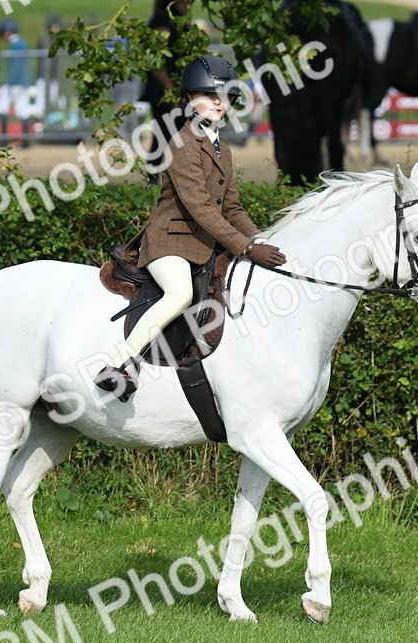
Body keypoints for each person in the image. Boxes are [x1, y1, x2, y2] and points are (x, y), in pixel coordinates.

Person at [94, 56, 287, 400]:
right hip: (169, 243)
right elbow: (200, 208)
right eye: (208, 95)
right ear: (186, 100)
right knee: (179, 293)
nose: (217, 102)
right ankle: (119, 363)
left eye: (224, 96)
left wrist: (261, 239)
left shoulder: (222, 149)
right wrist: (244, 247)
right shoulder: (181, 144)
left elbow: (231, 207)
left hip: (203, 245)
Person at [143, 0, 192, 181]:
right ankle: (154, 179)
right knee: (164, 135)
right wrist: (170, 89)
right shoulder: (163, 19)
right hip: (164, 92)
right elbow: (156, 59)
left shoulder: (179, 19)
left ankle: (172, 180)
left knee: (178, 137)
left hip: (178, 91)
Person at [0, 18, 32, 144]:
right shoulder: (21, 43)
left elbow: (16, 67)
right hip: (23, 82)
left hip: (15, 82)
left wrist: (11, 82)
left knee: (3, 106)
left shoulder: (16, 45)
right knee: (23, 109)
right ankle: (26, 139)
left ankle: (4, 137)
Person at [37, 13, 65, 111]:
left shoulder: (60, 42)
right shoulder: (44, 40)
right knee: (41, 101)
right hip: (43, 76)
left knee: (54, 98)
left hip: (54, 75)